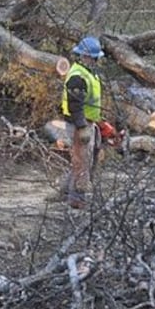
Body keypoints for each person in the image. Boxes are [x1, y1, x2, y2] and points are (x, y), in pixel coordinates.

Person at [61, 36, 105, 209]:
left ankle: (66, 191)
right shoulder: (77, 77)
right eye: (94, 57)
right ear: (84, 56)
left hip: (88, 121)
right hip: (78, 123)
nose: (95, 61)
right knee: (82, 161)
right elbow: (75, 105)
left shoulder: (88, 73)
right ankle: (77, 199)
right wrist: (82, 127)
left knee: (86, 159)